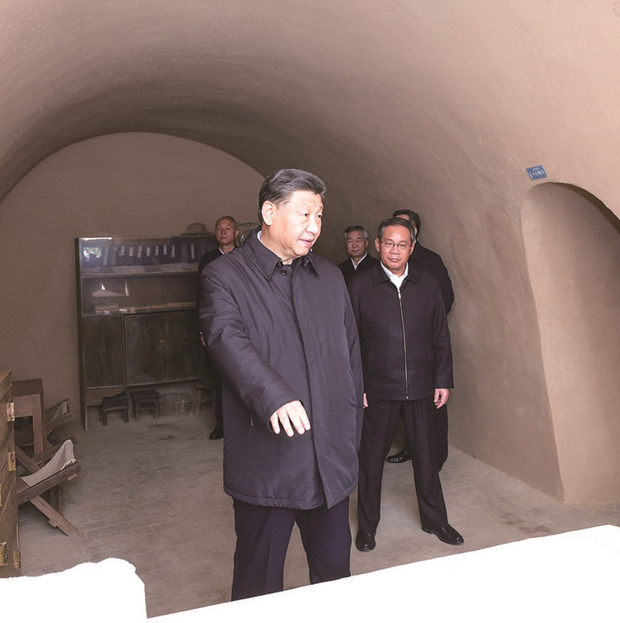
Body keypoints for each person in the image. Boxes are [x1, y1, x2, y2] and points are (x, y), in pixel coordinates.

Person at [198, 169, 364, 600]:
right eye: (304, 213)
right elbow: (225, 338)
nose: (314, 226)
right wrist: (273, 395)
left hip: (329, 462)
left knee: (335, 580)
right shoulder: (225, 275)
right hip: (268, 463)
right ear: (269, 213)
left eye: (319, 215)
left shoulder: (328, 276)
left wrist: (350, 433)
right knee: (259, 586)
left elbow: (350, 354)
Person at [348, 216, 463, 552]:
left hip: (422, 387)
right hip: (377, 390)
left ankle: (435, 520)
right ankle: (367, 527)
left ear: (412, 247)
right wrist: (358, 384)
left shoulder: (428, 284)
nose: (395, 250)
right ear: (377, 245)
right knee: (371, 462)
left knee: (426, 458)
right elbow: (348, 340)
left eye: (402, 244)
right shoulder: (360, 285)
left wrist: (442, 379)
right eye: (389, 243)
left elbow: (440, 335)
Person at [385, 208, 455, 467]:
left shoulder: (430, 261)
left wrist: (419, 324)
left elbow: (445, 299)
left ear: (415, 232)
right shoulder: (385, 263)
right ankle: (410, 448)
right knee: (405, 408)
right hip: (395, 350)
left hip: (424, 346)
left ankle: (436, 456)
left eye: (404, 225)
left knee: (433, 406)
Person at [197, 215, 239, 440]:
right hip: (216, 326)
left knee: (243, 374)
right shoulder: (208, 260)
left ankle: (244, 424)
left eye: (228, 228)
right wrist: (203, 330)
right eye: (219, 228)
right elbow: (201, 297)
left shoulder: (245, 258)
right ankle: (222, 424)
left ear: (236, 233)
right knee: (219, 377)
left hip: (242, 326)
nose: (223, 232)